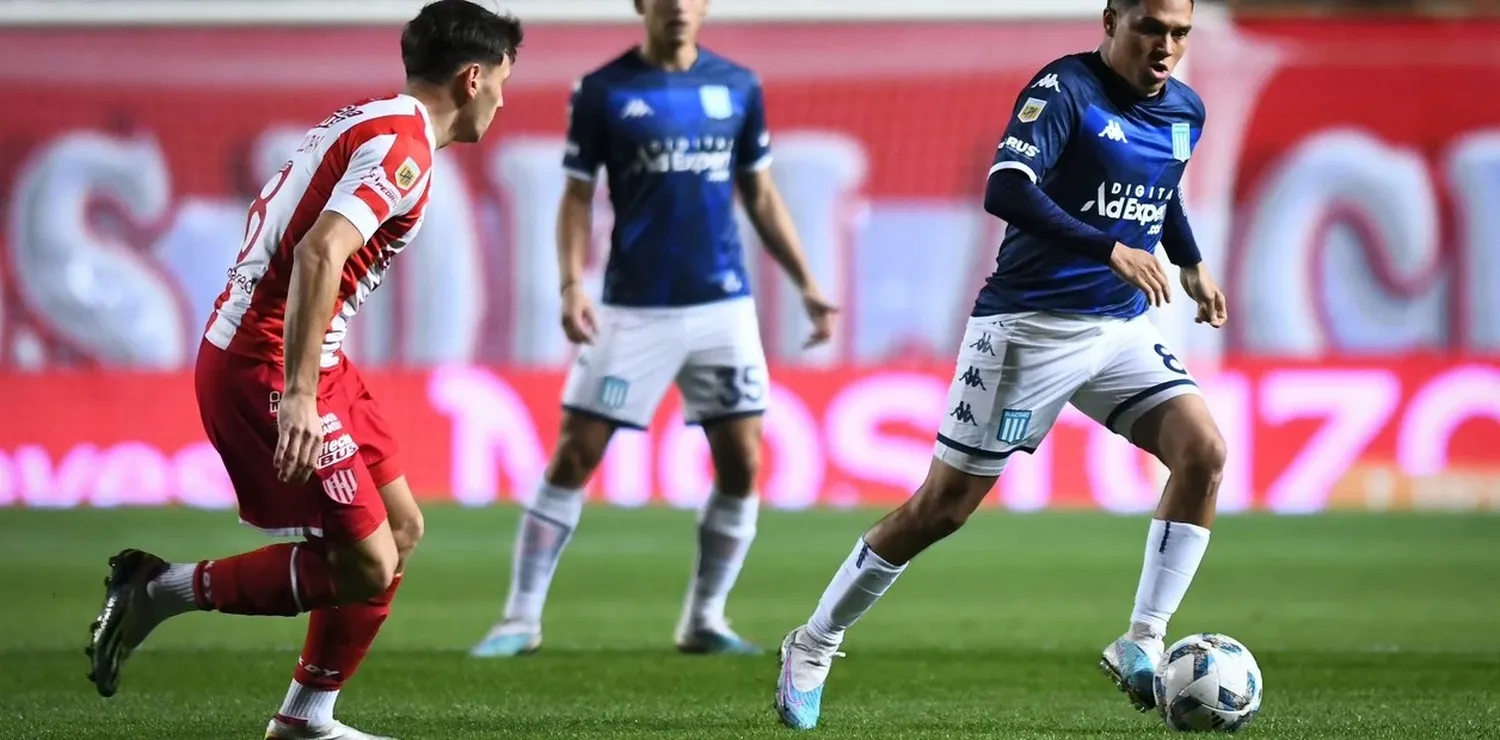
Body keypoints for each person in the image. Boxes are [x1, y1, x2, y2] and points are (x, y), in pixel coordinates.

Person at [774, 0, 1226, 730]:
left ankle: (1142, 639)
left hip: (1118, 329)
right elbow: (1005, 189)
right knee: (941, 510)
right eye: (1150, 28)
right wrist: (1107, 246)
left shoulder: (1186, 109)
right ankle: (815, 641)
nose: (1165, 46)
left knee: (1203, 452)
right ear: (1111, 20)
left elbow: (1163, 186)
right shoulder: (1063, 92)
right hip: (1027, 330)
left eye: (1179, 32)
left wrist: (1194, 264)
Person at [84, 3, 523, 738]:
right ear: (473, 77)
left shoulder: (373, 120)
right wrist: (295, 395)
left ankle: (306, 719)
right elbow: (321, 251)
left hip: (316, 357)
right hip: (268, 362)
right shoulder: (402, 148)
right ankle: (157, 590)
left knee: (401, 529)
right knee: (365, 565)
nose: (505, 98)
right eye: (504, 80)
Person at [470, 0, 836, 658]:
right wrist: (570, 283)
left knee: (743, 462)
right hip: (633, 309)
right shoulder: (603, 90)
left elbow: (759, 193)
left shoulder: (738, 86)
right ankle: (519, 618)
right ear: (642, 5)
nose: (677, 6)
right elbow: (578, 195)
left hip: (723, 305)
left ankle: (705, 617)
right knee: (576, 453)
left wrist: (807, 283)